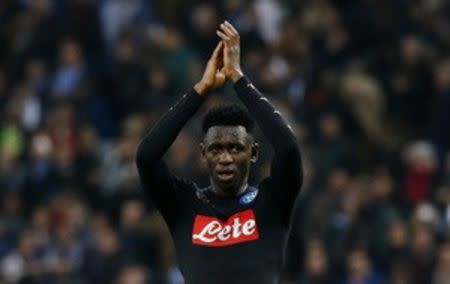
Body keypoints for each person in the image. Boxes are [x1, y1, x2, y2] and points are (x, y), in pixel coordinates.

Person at [136, 21, 303, 284]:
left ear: (253, 153)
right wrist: (200, 90)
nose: (225, 158)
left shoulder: (271, 203)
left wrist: (238, 79)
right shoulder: (184, 205)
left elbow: (289, 148)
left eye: (235, 148)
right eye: (216, 149)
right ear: (203, 154)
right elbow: (146, 157)